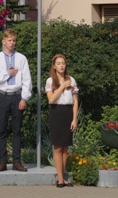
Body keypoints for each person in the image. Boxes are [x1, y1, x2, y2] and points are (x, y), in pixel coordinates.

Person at [0, 28, 32, 172]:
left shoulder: (21, 58)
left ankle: (17, 162)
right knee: (1, 130)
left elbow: (27, 79)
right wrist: (7, 73)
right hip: (3, 95)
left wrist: (24, 98)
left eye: (14, 40)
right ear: (3, 42)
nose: (12, 43)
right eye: (9, 40)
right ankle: (2, 161)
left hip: (17, 95)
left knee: (17, 130)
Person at [45, 54, 79, 188]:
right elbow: (51, 99)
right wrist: (62, 86)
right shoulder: (50, 81)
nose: (61, 66)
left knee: (65, 147)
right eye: (58, 63)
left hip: (68, 112)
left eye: (63, 63)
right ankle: (59, 179)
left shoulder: (71, 80)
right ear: (54, 66)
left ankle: (63, 176)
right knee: (58, 147)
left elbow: (75, 101)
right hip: (56, 112)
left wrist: (74, 119)